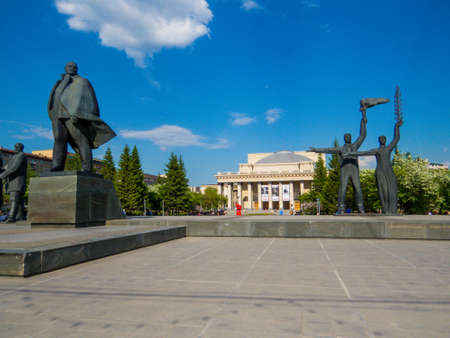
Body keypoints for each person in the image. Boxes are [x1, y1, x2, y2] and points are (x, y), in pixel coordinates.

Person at [48, 61, 116, 172]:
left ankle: (87, 167)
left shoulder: (82, 82)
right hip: (57, 115)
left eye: (74, 67)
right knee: (59, 140)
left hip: (72, 115)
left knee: (81, 140)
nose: (72, 68)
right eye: (69, 66)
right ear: (65, 68)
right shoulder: (60, 82)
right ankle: (57, 166)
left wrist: (80, 114)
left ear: (77, 69)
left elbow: (89, 100)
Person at [309, 108, 368, 214]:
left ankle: (361, 208)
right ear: (344, 139)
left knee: (358, 189)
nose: (348, 138)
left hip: (354, 170)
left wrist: (363, 120)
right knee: (342, 189)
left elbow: (362, 135)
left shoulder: (355, 146)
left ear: (351, 138)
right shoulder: (340, 148)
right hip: (344, 170)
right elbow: (328, 150)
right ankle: (341, 208)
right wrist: (316, 150)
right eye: (346, 137)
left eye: (349, 136)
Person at [349, 120, 402, 215]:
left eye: (384, 139)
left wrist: (396, 127)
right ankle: (385, 209)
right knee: (383, 191)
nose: (382, 140)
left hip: (389, 171)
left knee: (392, 190)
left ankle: (393, 210)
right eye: (381, 139)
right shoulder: (376, 150)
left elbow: (396, 138)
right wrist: (351, 153)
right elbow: (363, 153)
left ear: (385, 140)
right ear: (379, 140)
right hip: (380, 172)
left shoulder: (388, 148)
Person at [0, 143, 27, 223]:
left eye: (16, 147)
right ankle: (21, 216)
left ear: (20, 148)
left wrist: (2, 175)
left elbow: (14, 168)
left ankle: (11, 217)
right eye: (14, 147)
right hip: (12, 181)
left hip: (18, 181)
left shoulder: (21, 155)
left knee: (14, 199)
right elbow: (7, 167)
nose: (14, 148)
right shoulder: (14, 156)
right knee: (19, 201)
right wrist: (1, 170)